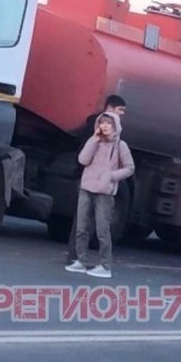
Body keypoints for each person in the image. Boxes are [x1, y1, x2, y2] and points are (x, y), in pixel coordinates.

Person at [65, 111, 135, 279]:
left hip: (105, 192)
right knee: (82, 228)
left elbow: (130, 168)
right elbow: (82, 160)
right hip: (86, 188)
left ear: (115, 126)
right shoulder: (94, 140)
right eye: (102, 123)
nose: (104, 126)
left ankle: (105, 265)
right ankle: (80, 261)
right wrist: (94, 140)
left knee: (102, 230)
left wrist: (112, 176)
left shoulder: (121, 145)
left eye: (108, 123)